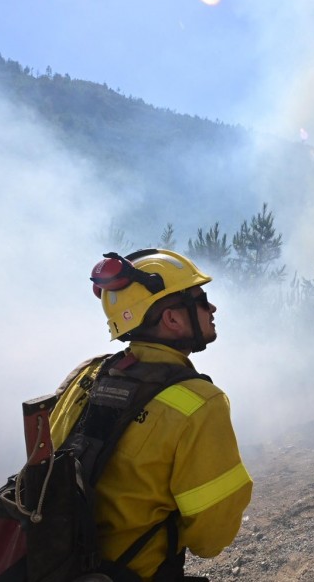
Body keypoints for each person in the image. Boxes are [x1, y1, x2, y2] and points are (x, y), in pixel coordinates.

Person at [50, 249, 253, 581]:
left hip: (56, 564)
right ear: (172, 319)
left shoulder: (89, 374)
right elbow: (210, 538)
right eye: (201, 299)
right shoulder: (201, 403)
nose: (212, 308)